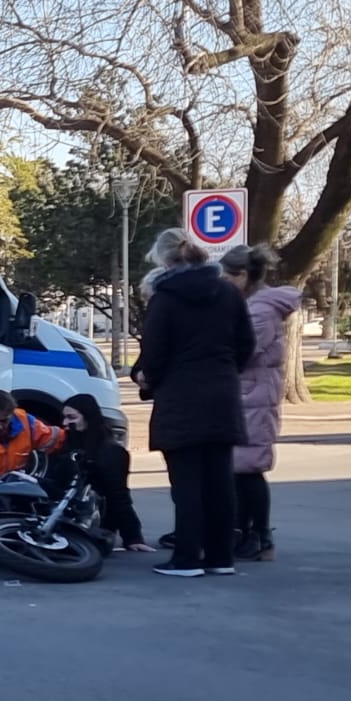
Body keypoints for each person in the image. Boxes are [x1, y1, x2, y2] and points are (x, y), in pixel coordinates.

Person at [135, 228, 255, 578]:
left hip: (181, 399)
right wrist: (226, 372)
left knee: (186, 484)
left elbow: (154, 354)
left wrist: (147, 378)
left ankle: (187, 557)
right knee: (220, 481)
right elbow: (246, 343)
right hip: (222, 395)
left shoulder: (165, 298)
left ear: (165, 260)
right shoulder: (228, 293)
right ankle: (220, 557)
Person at [221, 243, 301, 561]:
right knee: (240, 468)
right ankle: (245, 532)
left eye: (228, 278)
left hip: (253, 395)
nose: (224, 283)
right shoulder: (253, 304)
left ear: (243, 275)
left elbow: (244, 349)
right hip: (249, 393)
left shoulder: (260, 309)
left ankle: (259, 535)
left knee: (249, 468)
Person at [61, 393, 152, 552]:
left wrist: (132, 537)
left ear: (87, 417)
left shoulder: (111, 452)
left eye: (71, 417)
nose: (65, 423)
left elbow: (118, 496)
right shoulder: (69, 444)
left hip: (93, 521)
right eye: (65, 418)